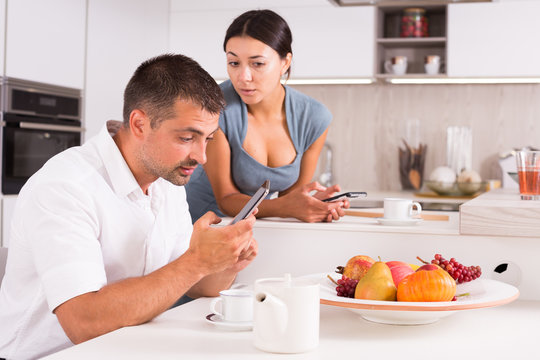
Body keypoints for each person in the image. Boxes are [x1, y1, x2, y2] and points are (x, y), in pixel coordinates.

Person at [0, 54, 258, 360]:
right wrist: (198, 261)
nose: (201, 156)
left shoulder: (167, 180)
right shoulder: (65, 187)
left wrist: (225, 263)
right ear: (139, 124)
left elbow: (194, 285)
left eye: (208, 139)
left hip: (124, 347)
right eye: (187, 137)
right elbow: (82, 322)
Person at [185, 9, 350, 224]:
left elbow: (290, 200)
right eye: (234, 63)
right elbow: (226, 199)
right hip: (199, 225)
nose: (243, 77)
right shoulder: (215, 107)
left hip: (257, 227)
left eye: (257, 63)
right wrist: (287, 207)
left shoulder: (314, 118)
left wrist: (313, 203)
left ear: (285, 62)